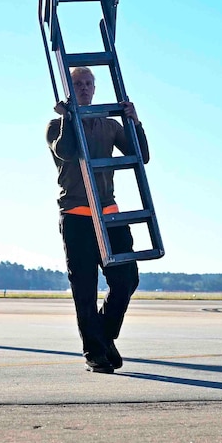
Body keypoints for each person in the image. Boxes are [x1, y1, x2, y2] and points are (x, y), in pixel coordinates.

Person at [46, 66, 149, 373]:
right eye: (77, 83)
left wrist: (134, 122)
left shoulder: (109, 125)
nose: (84, 87)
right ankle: (95, 351)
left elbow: (140, 155)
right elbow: (66, 150)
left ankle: (104, 336)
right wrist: (68, 117)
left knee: (127, 278)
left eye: (88, 83)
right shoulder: (55, 125)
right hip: (77, 215)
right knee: (85, 286)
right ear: (70, 87)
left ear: (95, 87)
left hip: (108, 213)